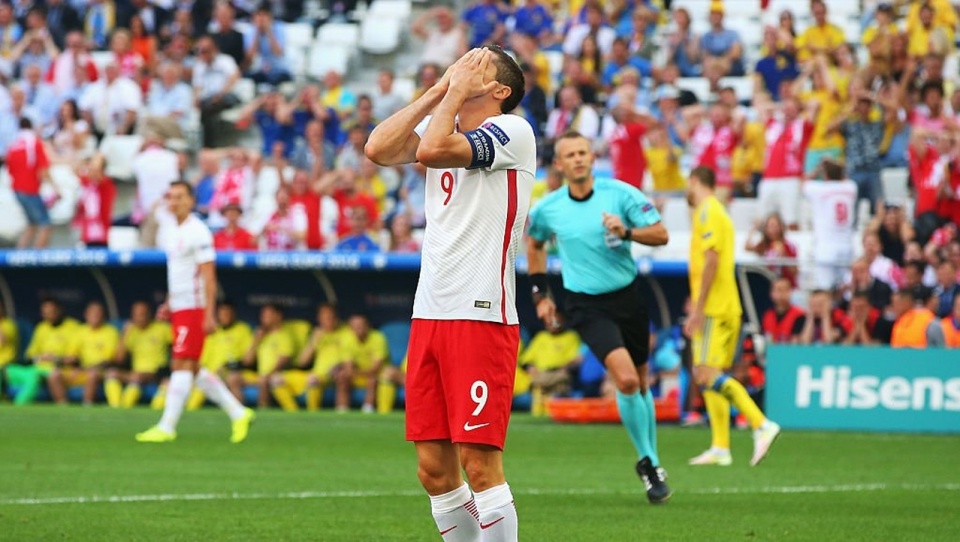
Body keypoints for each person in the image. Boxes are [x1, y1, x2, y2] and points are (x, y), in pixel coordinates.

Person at [365, 47, 532, 541]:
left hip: (481, 314)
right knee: (434, 470)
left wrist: (454, 91)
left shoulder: (513, 131)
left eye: (478, 64)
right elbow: (378, 148)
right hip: (430, 314)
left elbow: (432, 150)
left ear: (499, 91)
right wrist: (440, 90)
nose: (465, 64)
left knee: (478, 465)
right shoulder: (447, 126)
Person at [526, 130, 671, 503]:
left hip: (627, 297)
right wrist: (541, 294)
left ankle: (651, 462)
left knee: (640, 381)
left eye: (583, 152)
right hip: (585, 305)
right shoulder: (548, 208)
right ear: (558, 164)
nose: (577, 159)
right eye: (570, 154)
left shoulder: (620, 195)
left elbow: (661, 234)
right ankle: (648, 461)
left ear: (592, 158)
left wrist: (628, 231)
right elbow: (535, 242)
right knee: (624, 380)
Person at [135, 181, 255, 444]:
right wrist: (168, 302)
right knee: (191, 367)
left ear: (191, 200)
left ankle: (167, 427)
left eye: (180, 197)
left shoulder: (198, 231)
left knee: (181, 364)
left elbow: (209, 276)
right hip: (179, 305)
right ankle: (238, 412)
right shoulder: (170, 230)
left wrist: (209, 313)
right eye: (170, 197)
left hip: (194, 306)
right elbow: (177, 271)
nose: (174, 201)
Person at [684, 166, 780, 468]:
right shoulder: (717, 211)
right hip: (723, 305)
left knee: (704, 372)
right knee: (709, 373)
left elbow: (711, 259)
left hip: (715, 307)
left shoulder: (707, 210)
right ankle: (721, 446)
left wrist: (698, 309)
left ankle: (760, 424)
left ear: (695, 182)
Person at [106, 300, 171, 408]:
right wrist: (125, 333)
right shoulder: (131, 331)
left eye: (142, 314)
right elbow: (119, 359)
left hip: (156, 373)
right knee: (111, 373)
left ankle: (125, 408)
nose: (139, 318)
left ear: (149, 314)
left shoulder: (162, 328)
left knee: (137, 377)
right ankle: (116, 407)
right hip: (136, 374)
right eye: (136, 315)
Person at [803, 160, 857, 289]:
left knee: (824, 289)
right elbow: (844, 178)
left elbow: (803, 182)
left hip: (826, 248)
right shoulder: (851, 187)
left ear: (825, 175)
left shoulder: (819, 189)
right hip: (846, 246)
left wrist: (818, 170)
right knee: (845, 289)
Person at [8, 117, 56, 249]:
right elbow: (43, 170)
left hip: (17, 190)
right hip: (29, 189)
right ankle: (37, 262)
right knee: (45, 224)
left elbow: (10, 171)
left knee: (31, 224)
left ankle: (18, 260)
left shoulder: (14, 146)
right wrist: (56, 189)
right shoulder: (34, 144)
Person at [761, 277, 805, 345]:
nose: (780, 294)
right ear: (771, 293)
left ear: (790, 292)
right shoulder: (767, 315)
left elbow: (797, 342)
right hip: (769, 351)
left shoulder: (799, 314)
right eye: (777, 290)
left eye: (784, 290)